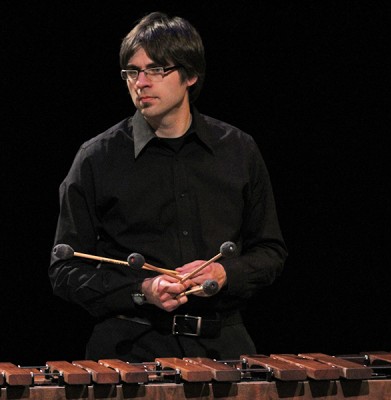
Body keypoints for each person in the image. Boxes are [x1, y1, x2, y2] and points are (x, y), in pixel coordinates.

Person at [49, 11, 287, 362]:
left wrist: (224, 273)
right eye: (132, 71)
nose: (141, 82)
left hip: (223, 348)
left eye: (156, 69)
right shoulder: (95, 158)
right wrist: (141, 290)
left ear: (190, 74)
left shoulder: (238, 150)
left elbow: (270, 250)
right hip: (130, 350)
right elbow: (64, 270)